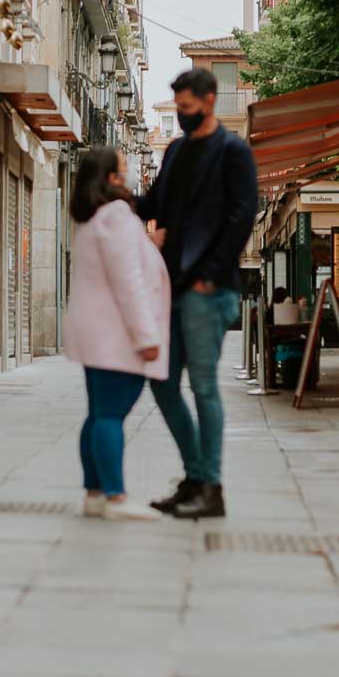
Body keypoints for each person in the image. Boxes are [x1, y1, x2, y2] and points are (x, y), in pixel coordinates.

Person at [137, 67, 259, 520]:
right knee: (163, 382)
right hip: (172, 288)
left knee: (204, 386)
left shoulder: (234, 152)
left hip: (208, 290)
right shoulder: (175, 151)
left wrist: (211, 273)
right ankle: (195, 476)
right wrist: (115, 196)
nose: (182, 116)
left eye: (186, 109)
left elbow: (242, 216)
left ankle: (212, 487)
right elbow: (154, 204)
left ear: (208, 102)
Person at [63, 147, 168, 522]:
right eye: (126, 168)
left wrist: (147, 245)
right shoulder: (118, 217)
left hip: (96, 334)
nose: (133, 173)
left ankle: (94, 493)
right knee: (110, 415)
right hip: (115, 335)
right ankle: (115, 497)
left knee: (98, 414)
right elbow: (128, 282)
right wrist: (147, 336)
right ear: (112, 178)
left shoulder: (96, 219)